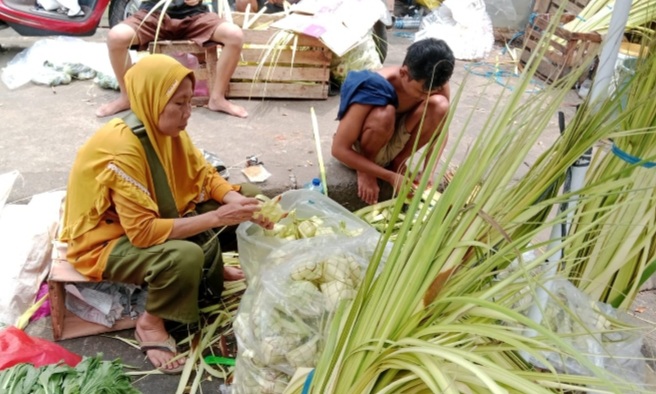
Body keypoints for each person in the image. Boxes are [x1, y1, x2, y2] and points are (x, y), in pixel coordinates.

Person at [60, 54, 272, 374]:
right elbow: (142, 233)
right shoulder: (122, 148)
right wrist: (219, 218)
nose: (188, 113)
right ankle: (150, 323)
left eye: (191, 102)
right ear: (152, 98)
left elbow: (204, 175)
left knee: (251, 198)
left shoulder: (168, 128)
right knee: (184, 256)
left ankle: (210, 270)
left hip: (153, 214)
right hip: (105, 240)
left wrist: (232, 201)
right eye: (179, 104)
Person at [331, 38, 455, 205]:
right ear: (404, 73)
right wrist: (386, 176)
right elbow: (339, 149)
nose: (426, 97)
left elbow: (442, 129)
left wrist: (428, 173)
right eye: (420, 91)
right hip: (366, 146)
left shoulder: (436, 83)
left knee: (440, 105)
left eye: (431, 91)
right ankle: (367, 169)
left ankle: (398, 162)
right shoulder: (373, 85)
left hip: (396, 144)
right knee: (384, 113)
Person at [96, 0, 248, 118]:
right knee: (116, 37)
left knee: (234, 36)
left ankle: (217, 98)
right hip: (153, 15)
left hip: (195, 16)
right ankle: (128, 97)